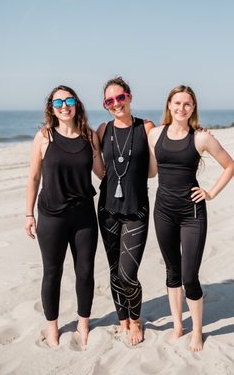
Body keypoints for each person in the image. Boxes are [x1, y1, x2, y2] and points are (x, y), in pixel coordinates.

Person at [148, 85, 234, 352]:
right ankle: (178, 325)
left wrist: (210, 193)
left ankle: (197, 330)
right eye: (177, 103)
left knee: (189, 277)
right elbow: (152, 173)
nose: (181, 108)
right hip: (162, 210)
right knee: (171, 271)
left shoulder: (201, 138)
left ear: (193, 108)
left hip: (192, 213)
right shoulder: (155, 135)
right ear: (169, 104)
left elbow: (230, 166)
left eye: (187, 104)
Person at [25, 85, 104, 347]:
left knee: (85, 271)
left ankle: (83, 322)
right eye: (58, 102)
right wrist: (29, 214)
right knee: (52, 272)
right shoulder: (44, 137)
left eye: (69, 100)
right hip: (51, 216)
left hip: (84, 216)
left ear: (77, 104)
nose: (64, 105)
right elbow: (34, 177)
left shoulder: (89, 137)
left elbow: (102, 173)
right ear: (51, 108)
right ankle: (53, 327)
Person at [97, 76, 155, 345]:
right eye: (110, 100)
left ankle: (135, 320)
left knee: (127, 273)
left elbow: (155, 168)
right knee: (113, 270)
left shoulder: (146, 127)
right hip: (107, 209)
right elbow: (97, 168)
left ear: (130, 97)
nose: (116, 103)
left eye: (120, 97)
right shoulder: (102, 130)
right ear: (105, 105)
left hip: (137, 209)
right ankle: (122, 319)